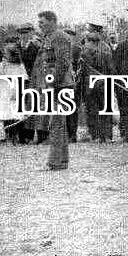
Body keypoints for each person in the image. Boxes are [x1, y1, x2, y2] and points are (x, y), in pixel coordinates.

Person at [31, 11, 74, 170]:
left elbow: (62, 63)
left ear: (52, 21)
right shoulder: (49, 37)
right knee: (58, 124)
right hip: (56, 85)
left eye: (42, 22)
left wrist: (52, 83)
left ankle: (54, 162)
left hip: (60, 85)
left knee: (56, 124)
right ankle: (61, 161)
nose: (39, 25)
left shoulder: (60, 37)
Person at [78, 23, 115, 143]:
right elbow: (111, 70)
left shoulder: (86, 52)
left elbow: (82, 72)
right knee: (101, 110)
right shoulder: (104, 50)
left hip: (96, 85)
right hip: (102, 84)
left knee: (95, 110)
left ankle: (99, 136)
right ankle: (103, 136)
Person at [0, 43, 28, 144]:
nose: (4, 55)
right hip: (4, 92)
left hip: (16, 91)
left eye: (6, 53)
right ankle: (7, 136)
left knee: (18, 115)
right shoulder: (1, 65)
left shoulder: (20, 65)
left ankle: (20, 137)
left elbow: (24, 79)